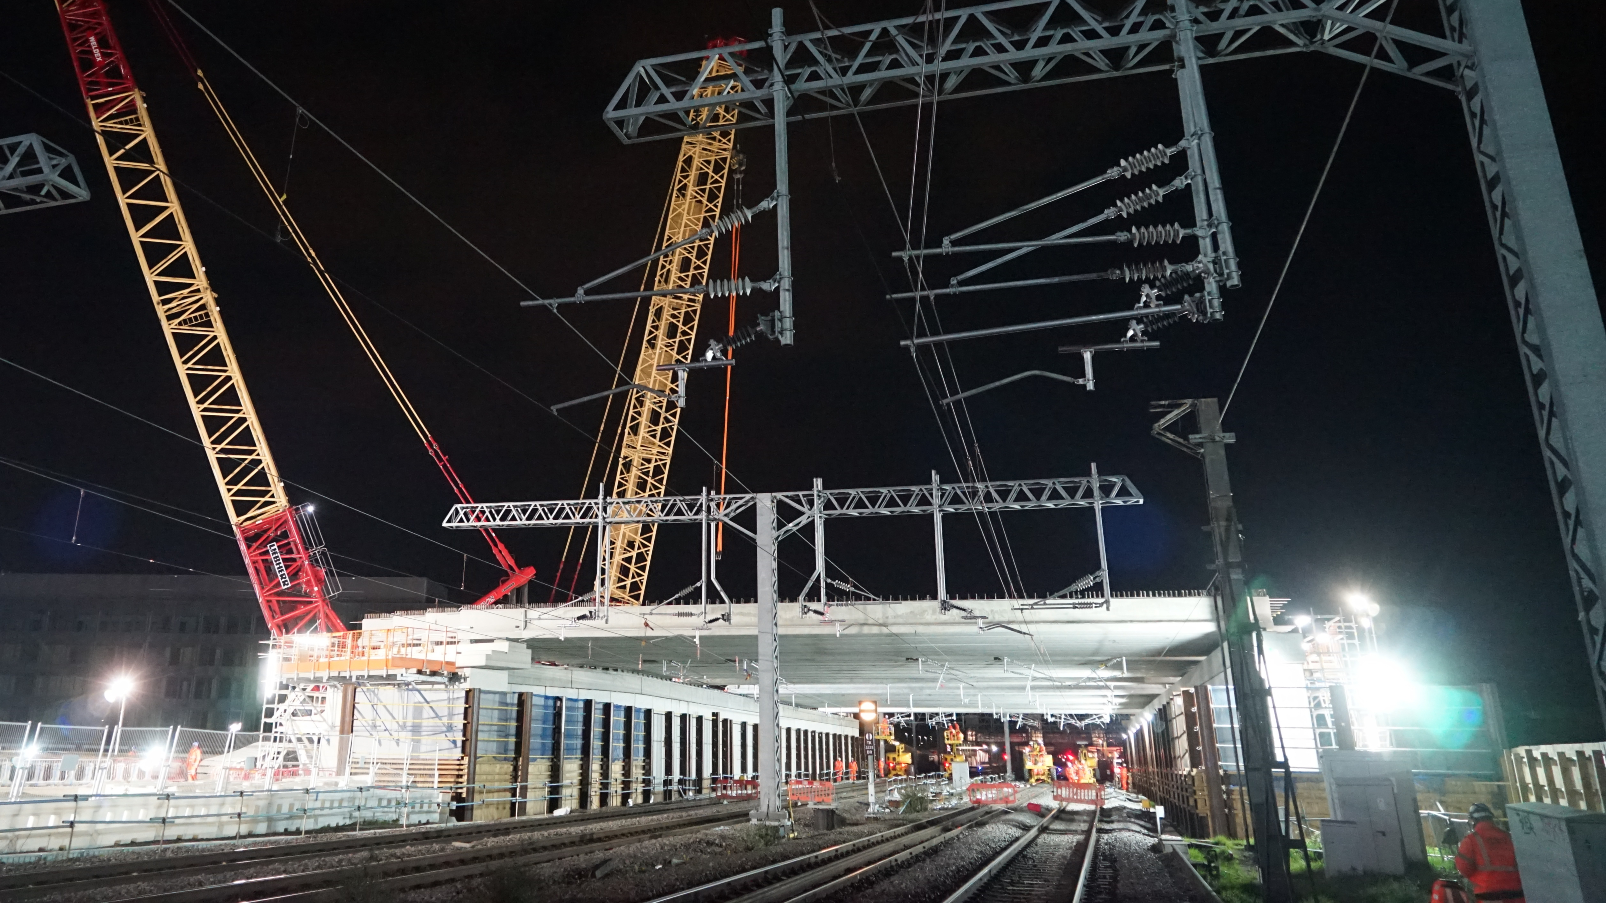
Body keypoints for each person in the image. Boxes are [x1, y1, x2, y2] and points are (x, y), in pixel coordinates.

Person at [1455, 803, 1524, 902]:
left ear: (1473, 820)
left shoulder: (1471, 840)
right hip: (1516, 892)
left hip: (1488, 893)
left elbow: (1463, 868)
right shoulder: (1509, 837)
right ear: (1491, 818)